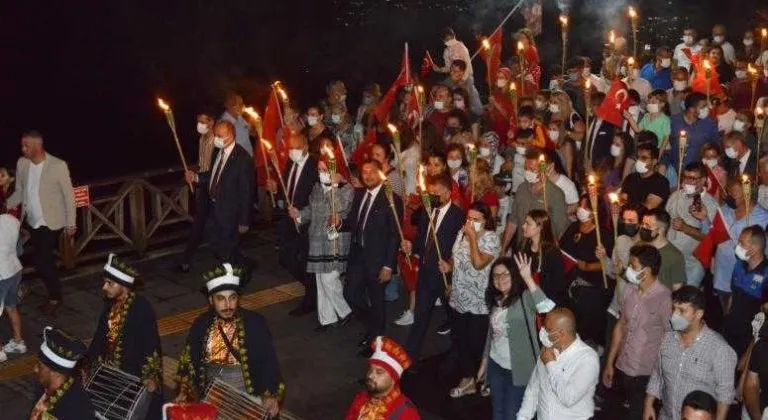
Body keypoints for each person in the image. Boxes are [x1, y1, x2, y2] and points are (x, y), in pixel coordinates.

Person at [175, 263, 283, 417]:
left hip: (247, 393)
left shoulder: (254, 322)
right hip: (213, 395)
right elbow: (188, 360)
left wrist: (270, 395)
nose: (228, 305)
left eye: (232, 298)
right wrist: (183, 392)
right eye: (221, 299)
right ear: (211, 300)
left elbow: (268, 361)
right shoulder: (201, 324)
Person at [7, 130, 76, 316]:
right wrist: (4, 206)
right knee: (36, 258)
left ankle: (55, 298)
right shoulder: (22, 163)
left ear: (37, 146)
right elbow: (20, 191)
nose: (22, 149)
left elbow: (69, 197)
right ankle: (23, 289)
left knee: (42, 261)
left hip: (51, 221)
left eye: (26, 145)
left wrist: (71, 223)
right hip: (31, 221)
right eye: (22, 145)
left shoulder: (57, 166)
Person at [87, 254, 163, 419]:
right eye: (104, 282)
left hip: (133, 377)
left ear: (125, 286)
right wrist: (85, 364)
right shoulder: (110, 305)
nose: (104, 287)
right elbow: (100, 337)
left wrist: (150, 376)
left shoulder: (141, 308)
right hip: (111, 375)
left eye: (110, 283)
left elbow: (151, 345)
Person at [644, 286, 737, 420]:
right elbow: (658, 373)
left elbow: (725, 395)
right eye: (674, 309)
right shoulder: (667, 338)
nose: (674, 315)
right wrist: (648, 404)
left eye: (682, 311)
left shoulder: (719, 349)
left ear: (698, 314)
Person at [603, 245, 672, 420]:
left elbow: (670, 338)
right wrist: (610, 362)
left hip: (644, 374)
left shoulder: (664, 299)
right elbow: (620, 326)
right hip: (621, 365)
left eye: (633, 266)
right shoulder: (629, 289)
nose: (629, 270)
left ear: (646, 271)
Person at [483, 256, 555, 419]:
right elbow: (492, 334)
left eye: (505, 274)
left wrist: (528, 278)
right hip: (496, 364)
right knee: (497, 410)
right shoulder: (495, 299)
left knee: (512, 413)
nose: (500, 279)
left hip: (520, 368)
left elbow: (546, 306)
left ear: (514, 275)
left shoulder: (525, 297)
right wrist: (485, 361)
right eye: (496, 275)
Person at [342, 160, 402, 357]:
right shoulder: (360, 195)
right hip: (358, 256)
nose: (367, 176)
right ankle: (373, 327)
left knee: (377, 301)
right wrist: (337, 223)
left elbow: (394, 235)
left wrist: (388, 266)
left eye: (371, 172)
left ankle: (377, 341)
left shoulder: (391, 200)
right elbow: (353, 222)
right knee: (351, 294)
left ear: (380, 173)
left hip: (378, 261)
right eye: (364, 172)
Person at [403, 173, 464, 362]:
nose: (431, 197)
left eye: (436, 194)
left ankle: (461, 354)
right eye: (430, 193)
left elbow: (461, 248)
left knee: (454, 316)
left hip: (446, 276)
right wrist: (412, 247)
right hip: (426, 273)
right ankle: (409, 356)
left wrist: (451, 265)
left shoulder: (458, 217)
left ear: (447, 194)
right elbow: (423, 239)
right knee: (420, 315)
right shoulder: (427, 211)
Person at [288, 156, 353, 331]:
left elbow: (339, 207)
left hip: (335, 240)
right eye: (319, 170)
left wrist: (333, 186)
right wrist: (299, 214)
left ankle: (345, 311)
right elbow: (311, 209)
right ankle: (327, 318)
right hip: (316, 238)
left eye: (325, 170)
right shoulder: (317, 187)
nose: (322, 174)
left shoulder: (346, 189)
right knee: (320, 280)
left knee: (329, 279)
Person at [445, 202, 500, 398]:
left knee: (475, 342)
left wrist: (472, 237)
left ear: (485, 221)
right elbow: (456, 257)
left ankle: (477, 378)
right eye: (469, 218)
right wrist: (449, 268)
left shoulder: (491, 239)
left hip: (478, 301)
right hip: (459, 296)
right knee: (460, 340)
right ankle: (468, 377)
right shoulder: (462, 234)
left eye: (476, 219)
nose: (471, 222)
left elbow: (478, 263)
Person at [184, 120, 254, 268]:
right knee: (216, 243)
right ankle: (241, 267)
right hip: (214, 208)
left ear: (231, 135)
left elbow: (247, 192)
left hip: (230, 212)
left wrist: (244, 220)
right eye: (216, 135)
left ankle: (230, 282)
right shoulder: (218, 151)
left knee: (226, 251)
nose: (217, 139)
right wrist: (196, 177)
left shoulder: (242, 159)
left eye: (221, 136)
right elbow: (214, 174)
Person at [266, 133, 319, 316]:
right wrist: (277, 190)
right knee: (285, 258)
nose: (291, 152)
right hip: (289, 220)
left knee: (306, 260)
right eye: (289, 148)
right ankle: (313, 289)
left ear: (305, 147)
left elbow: (319, 197)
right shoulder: (290, 163)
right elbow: (287, 188)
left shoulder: (315, 167)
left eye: (295, 148)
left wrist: (303, 214)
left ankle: (311, 298)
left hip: (307, 222)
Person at [517, 307, 600, 420]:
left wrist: (550, 365)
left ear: (561, 333)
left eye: (547, 329)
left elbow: (569, 398)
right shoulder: (547, 350)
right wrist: (523, 417)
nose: (543, 331)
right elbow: (534, 388)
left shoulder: (587, 359)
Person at [559, 196, 614, 348]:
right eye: (580, 206)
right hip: (571, 280)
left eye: (586, 207)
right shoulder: (573, 227)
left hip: (592, 287)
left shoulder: (604, 235)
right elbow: (562, 248)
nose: (580, 210)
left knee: (588, 326)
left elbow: (610, 265)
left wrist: (589, 266)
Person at [711, 179, 768, 313]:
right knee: (727, 314)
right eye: (729, 192)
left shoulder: (763, 217)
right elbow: (713, 234)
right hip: (722, 275)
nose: (730, 196)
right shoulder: (725, 209)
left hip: (748, 280)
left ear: (747, 195)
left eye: (734, 193)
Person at [502, 149, 568, 253]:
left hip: (541, 251)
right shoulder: (522, 188)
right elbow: (513, 221)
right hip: (521, 248)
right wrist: (503, 248)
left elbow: (561, 231)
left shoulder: (555, 194)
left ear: (543, 169)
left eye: (532, 169)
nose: (528, 172)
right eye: (526, 168)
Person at [666, 163, 718, 287]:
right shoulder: (675, 196)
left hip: (692, 263)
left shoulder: (710, 204)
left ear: (703, 180)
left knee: (686, 300)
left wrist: (685, 228)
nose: (688, 181)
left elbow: (709, 239)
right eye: (685, 177)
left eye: (693, 178)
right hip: (670, 258)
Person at [345, 336, 420, 420]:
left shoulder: (406, 414)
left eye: (379, 372)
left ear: (393, 378)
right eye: (370, 370)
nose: (370, 376)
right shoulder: (361, 398)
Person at [30, 326, 97, 420]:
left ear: (54, 373)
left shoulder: (76, 411)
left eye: (40, 366)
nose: (35, 369)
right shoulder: (42, 387)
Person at [722, 226, 768, 357]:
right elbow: (733, 294)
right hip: (730, 329)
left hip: (749, 338)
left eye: (742, 243)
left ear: (754, 248)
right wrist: (727, 318)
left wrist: (750, 351)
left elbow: (764, 315)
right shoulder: (738, 265)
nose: (738, 246)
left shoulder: (766, 275)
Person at [179, 113, 217, 272]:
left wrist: (198, 177)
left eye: (203, 121)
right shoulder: (202, 139)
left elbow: (214, 169)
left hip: (214, 187)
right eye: (198, 121)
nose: (200, 124)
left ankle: (230, 257)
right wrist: (193, 174)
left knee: (210, 224)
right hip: (203, 186)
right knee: (199, 222)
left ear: (212, 122)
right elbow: (202, 164)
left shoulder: (216, 141)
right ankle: (186, 258)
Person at [519, 209, 567, 305]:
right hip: (526, 301)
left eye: (528, 223)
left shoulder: (552, 253)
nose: (523, 226)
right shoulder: (523, 247)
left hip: (546, 303)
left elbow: (558, 286)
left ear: (540, 227)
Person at [640, 209, 686, 290]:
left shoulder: (675, 256)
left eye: (648, 226)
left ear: (661, 229)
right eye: (643, 224)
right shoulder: (640, 247)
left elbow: (677, 289)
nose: (643, 227)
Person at [669, 92, 719, 167]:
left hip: (699, 170)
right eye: (703, 107)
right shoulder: (673, 122)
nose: (707, 108)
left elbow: (717, 147)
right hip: (676, 168)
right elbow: (667, 146)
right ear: (692, 109)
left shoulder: (710, 124)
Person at [0, 210, 24, 362]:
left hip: (1, 274)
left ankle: (0, 352)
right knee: (11, 307)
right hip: (15, 269)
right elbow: (19, 249)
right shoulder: (12, 220)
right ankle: (18, 342)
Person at [621, 142, 670, 210]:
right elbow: (622, 200)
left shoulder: (661, 182)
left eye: (644, 158)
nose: (639, 161)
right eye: (637, 158)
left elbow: (648, 208)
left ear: (654, 162)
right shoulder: (630, 178)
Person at [220, 92, 253, 157]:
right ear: (231, 106)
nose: (243, 106)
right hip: (238, 161)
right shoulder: (224, 123)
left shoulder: (239, 117)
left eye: (242, 104)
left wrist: (253, 121)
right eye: (240, 104)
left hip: (248, 158)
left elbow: (250, 132)